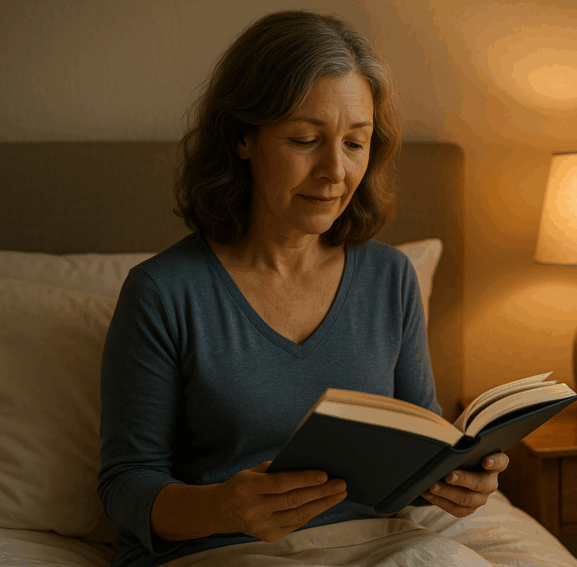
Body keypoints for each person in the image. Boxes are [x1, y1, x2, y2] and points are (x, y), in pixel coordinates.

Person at [96, 10, 511, 567]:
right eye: (305, 139)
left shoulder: (391, 279)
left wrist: (456, 481)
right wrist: (223, 508)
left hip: (371, 546)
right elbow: (125, 485)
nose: (334, 171)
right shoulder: (163, 292)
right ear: (243, 137)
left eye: (355, 144)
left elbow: (417, 446)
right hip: (224, 552)